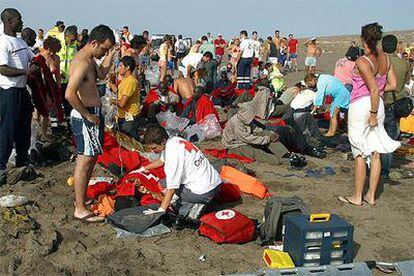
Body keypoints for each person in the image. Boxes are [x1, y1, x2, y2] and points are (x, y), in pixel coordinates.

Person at [338, 23, 399, 207]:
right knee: (375, 152)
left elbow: (372, 88)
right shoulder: (386, 58)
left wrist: (371, 112)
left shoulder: (363, 61)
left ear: (363, 39)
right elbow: (393, 85)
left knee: (359, 153)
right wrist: (376, 101)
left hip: (363, 106)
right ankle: (371, 196)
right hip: (378, 104)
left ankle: (357, 196)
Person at [65, 24, 116, 222]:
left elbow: (102, 75)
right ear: (93, 43)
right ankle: (79, 208)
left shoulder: (91, 60)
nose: (104, 52)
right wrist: (86, 114)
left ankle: (81, 201)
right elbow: (69, 93)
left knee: (90, 159)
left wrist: (111, 55)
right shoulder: (82, 62)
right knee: (84, 162)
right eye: (103, 48)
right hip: (86, 115)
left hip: (92, 113)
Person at [222, 86, 325, 165]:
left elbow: (256, 129)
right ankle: (287, 162)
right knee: (260, 155)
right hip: (236, 145)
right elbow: (248, 138)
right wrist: (267, 138)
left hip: (247, 139)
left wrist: (270, 135)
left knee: (270, 135)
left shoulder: (246, 119)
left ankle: (287, 155)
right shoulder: (237, 122)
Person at [140, 125, 222, 219]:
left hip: (203, 192)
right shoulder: (175, 140)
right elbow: (161, 160)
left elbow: (171, 187)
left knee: (164, 186)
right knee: (167, 183)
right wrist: (143, 168)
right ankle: (198, 202)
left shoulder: (172, 156)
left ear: (163, 141)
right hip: (216, 183)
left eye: (154, 148)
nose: (152, 151)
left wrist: (161, 210)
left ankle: (192, 207)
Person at [0, 8, 38, 185]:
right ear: (9, 21)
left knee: (24, 128)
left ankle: (22, 162)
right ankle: (1, 165)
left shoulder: (20, 42)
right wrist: (26, 71)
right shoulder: (3, 42)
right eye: (18, 19)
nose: (22, 22)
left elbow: (34, 57)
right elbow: (3, 68)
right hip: (9, 91)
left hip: (22, 91)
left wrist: (37, 64)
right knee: (8, 128)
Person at [380, 34, 411, 177]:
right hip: (398, 102)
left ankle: (381, 168)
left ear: (383, 46)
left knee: (379, 134)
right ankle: (385, 166)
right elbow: (406, 82)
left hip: (382, 102)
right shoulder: (404, 63)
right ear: (396, 46)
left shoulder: (380, 63)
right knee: (392, 135)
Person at [28, 36, 63, 141]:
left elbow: (57, 73)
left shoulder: (56, 58)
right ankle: (34, 134)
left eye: (55, 51)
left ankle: (43, 134)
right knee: (38, 112)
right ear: (47, 48)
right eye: (51, 51)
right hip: (39, 87)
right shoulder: (38, 58)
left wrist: (59, 85)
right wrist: (45, 94)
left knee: (47, 112)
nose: (52, 54)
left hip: (51, 86)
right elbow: (37, 77)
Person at [108, 56, 143, 140]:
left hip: (129, 117)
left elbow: (122, 104)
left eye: (120, 66)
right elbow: (120, 93)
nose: (118, 68)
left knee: (129, 141)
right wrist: (112, 84)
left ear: (127, 68)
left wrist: (111, 100)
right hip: (123, 116)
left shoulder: (130, 82)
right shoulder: (125, 80)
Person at [58, 25, 78, 120]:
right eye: (71, 39)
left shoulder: (74, 46)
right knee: (57, 102)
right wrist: (58, 72)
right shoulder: (58, 43)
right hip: (57, 79)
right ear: (66, 36)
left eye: (74, 40)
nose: (73, 42)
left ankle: (69, 121)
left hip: (69, 80)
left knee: (68, 102)